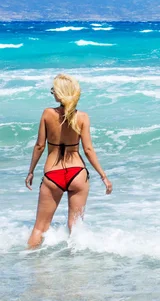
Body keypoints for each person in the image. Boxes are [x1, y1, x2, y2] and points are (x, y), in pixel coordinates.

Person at [25, 73, 112, 249]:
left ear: (60, 93)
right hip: (77, 173)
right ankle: (76, 271)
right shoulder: (83, 117)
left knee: (39, 228)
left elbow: (40, 146)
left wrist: (31, 171)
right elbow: (88, 150)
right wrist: (103, 176)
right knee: (75, 228)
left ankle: (31, 266)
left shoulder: (47, 114)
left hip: (52, 174)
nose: (52, 93)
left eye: (53, 90)